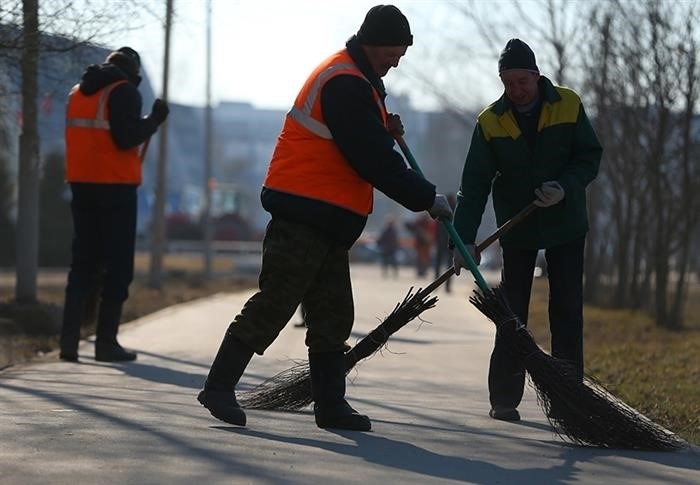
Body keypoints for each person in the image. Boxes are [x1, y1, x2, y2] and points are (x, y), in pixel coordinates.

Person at [197, 4, 453, 432]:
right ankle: (219, 386)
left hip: (327, 218)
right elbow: (371, 158)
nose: (398, 60)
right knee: (276, 301)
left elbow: (358, 142)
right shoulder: (345, 83)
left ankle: (330, 405)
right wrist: (426, 197)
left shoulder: (360, 82)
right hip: (303, 212)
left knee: (333, 314)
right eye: (396, 51)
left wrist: (380, 125)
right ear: (377, 43)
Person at [452, 38, 602, 421]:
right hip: (516, 229)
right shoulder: (491, 121)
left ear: (537, 76)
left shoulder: (567, 104)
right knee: (511, 313)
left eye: (523, 80)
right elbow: (474, 185)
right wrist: (463, 239)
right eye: (508, 82)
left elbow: (589, 156)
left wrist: (565, 187)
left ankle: (569, 403)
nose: (516, 89)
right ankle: (503, 398)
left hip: (566, 224)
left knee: (566, 311)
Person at [59, 47, 169, 362]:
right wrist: (154, 120)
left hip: (81, 186)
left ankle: (68, 343)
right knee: (118, 267)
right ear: (132, 72)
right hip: (116, 189)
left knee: (82, 265)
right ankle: (106, 343)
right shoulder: (123, 92)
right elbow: (126, 138)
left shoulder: (77, 93)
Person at [433, 193, 456, 292]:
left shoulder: (441, 211)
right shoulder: (455, 212)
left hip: (444, 242)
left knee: (441, 265)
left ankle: (437, 285)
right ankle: (446, 286)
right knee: (449, 265)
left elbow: (436, 229)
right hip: (450, 242)